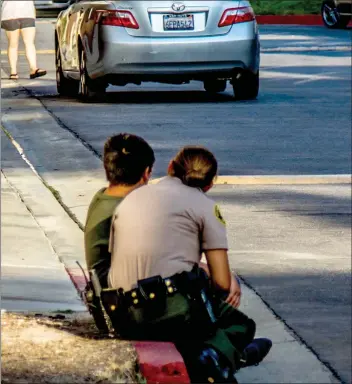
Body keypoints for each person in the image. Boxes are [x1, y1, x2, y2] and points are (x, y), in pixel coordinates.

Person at [106, 146, 272, 383]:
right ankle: (218, 356)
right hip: (167, 313)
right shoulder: (204, 206)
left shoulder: (133, 197)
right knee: (240, 325)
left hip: (121, 313)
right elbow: (222, 283)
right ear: (209, 184)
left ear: (170, 167)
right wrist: (228, 281)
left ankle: (224, 355)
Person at [85, 133, 155, 289]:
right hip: (120, 294)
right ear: (145, 173)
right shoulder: (128, 209)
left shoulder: (102, 197)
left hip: (105, 286)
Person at [1, 0, 47, 80]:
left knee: (24, 43)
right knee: (16, 44)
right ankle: (14, 71)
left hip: (18, 13)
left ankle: (32, 68)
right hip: (19, 12)